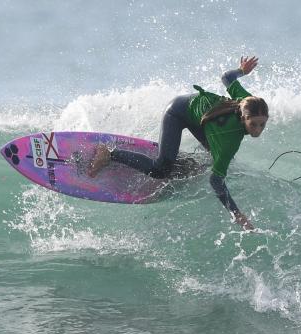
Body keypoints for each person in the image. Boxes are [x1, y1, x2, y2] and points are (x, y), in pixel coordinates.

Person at [88, 56, 269, 230]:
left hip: (201, 117)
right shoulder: (230, 139)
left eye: (262, 124)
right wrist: (236, 214)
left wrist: (241, 71)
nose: (257, 130)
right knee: (161, 170)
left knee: (215, 158)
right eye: (253, 124)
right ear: (243, 117)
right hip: (177, 111)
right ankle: (109, 154)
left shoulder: (249, 102)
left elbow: (227, 77)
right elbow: (216, 181)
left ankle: (183, 163)